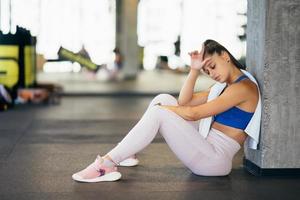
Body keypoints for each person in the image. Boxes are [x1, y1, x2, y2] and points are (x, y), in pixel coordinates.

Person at [72, 39, 260, 182]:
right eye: (208, 72)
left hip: (213, 161)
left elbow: (194, 113)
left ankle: (105, 165)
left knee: (159, 110)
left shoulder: (243, 88)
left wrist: (163, 110)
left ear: (226, 56)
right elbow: (184, 102)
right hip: (206, 147)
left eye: (213, 66)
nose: (213, 74)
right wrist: (194, 71)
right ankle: (126, 151)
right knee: (163, 99)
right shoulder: (224, 86)